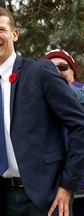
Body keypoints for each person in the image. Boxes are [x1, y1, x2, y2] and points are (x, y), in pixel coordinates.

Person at [0, 6, 84, 216]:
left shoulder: (40, 71)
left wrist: (67, 186)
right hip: (3, 200)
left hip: (46, 197)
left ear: (14, 34)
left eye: (0, 30)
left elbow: (80, 126)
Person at [44, 49, 84, 216]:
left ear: (73, 72)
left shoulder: (80, 93)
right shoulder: (38, 103)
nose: (57, 72)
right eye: (51, 69)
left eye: (63, 67)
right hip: (58, 193)